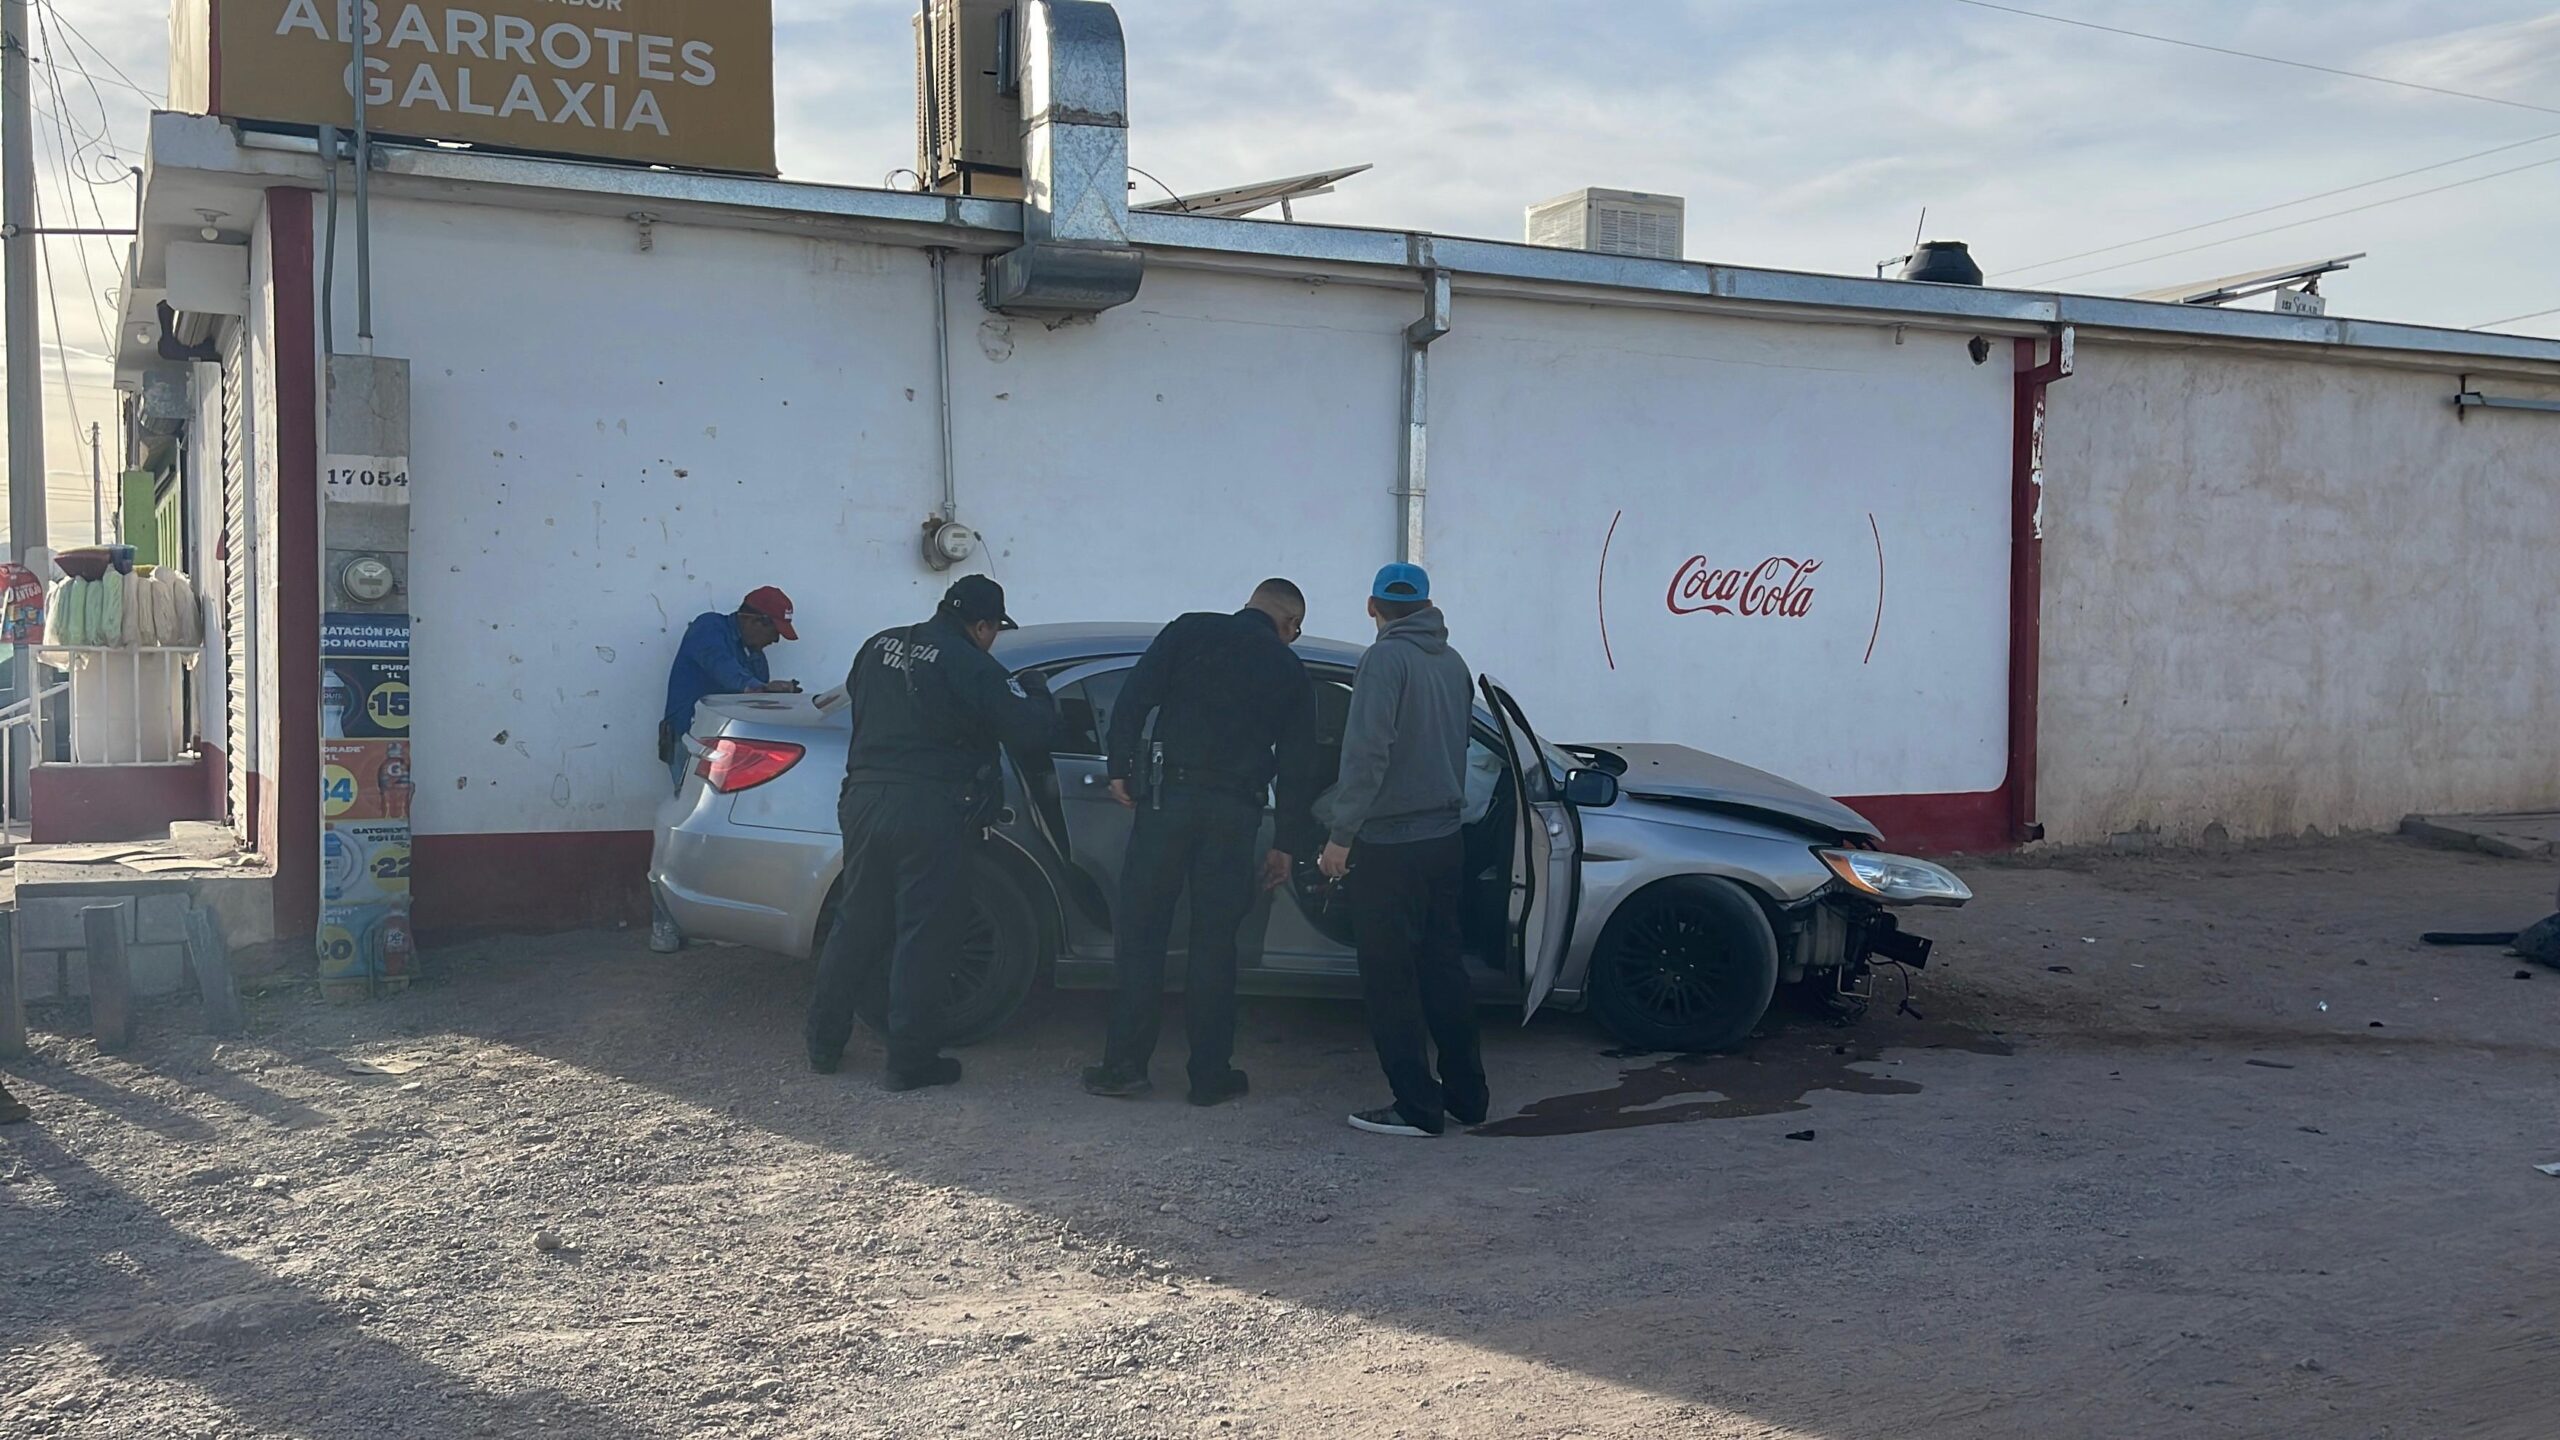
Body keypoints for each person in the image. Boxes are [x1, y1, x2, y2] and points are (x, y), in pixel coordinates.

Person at [806, 575, 1060, 1091]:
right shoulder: (972, 664)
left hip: (864, 800)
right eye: (994, 630)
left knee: (855, 924)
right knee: (925, 934)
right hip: (928, 808)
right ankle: (911, 1062)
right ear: (982, 625)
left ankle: (822, 1044)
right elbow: (1032, 733)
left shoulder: (879, 645)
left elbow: (862, 704)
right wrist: (1037, 691)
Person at [1080, 580, 1323, 1107]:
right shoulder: (1288, 668)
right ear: (1290, 625)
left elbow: (1134, 698)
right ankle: (1210, 1076)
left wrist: (1120, 767)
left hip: (1166, 801)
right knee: (1215, 943)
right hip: (1234, 815)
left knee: (1142, 934)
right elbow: (1300, 763)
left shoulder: (1189, 631)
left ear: (1250, 604)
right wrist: (1285, 842)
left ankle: (1124, 1067)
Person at [1318, 562, 1486, 1138]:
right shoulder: (1452, 662)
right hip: (1445, 839)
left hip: (1391, 844)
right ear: (1427, 605)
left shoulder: (1384, 659)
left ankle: (1416, 1107)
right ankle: (1468, 1096)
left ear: (1373, 607)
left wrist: (1340, 836)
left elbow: (1367, 754)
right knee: (1444, 970)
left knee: (1389, 979)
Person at [659, 586, 803, 793]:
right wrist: (759, 688)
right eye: (774, 631)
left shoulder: (756, 656)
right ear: (755, 621)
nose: (775, 640)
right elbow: (722, 667)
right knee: (695, 804)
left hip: (726, 746)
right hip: (688, 740)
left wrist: (777, 696)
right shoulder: (709, 627)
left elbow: (755, 703)